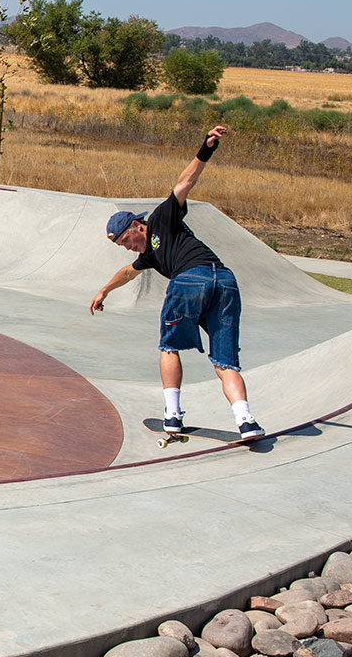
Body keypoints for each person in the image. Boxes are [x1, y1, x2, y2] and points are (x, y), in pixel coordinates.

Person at [89, 124, 262, 440]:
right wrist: (105, 289)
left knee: (169, 346)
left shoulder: (161, 218)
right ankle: (246, 420)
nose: (128, 247)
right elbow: (129, 271)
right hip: (225, 282)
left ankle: (172, 415)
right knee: (225, 362)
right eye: (122, 246)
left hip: (191, 280)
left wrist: (206, 149)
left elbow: (185, 182)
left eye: (127, 240)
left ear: (137, 225)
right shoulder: (151, 256)